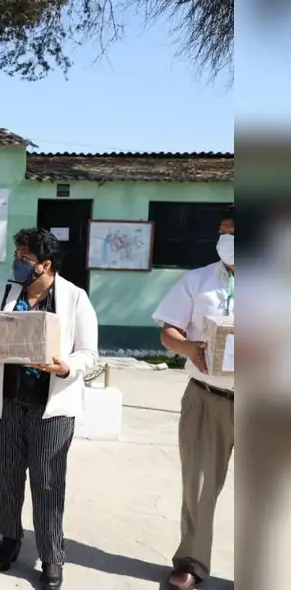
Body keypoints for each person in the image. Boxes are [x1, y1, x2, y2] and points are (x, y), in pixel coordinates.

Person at [0, 227, 98, 590]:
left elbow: (90, 354)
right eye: (17, 256)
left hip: (52, 407)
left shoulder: (75, 298)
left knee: (48, 482)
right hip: (12, 401)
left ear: (45, 265)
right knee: (9, 477)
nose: (18, 263)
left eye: (25, 259)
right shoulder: (6, 292)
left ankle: (51, 556)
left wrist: (67, 367)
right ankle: (9, 538)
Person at [151, 205, 234, 590]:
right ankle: (191, 562)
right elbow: (168, 332)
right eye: (223, 231)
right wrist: (188, 347)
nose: (226, 240)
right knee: (198, 485)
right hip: (207, 397)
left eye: (233, 232)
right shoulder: (198, 281)